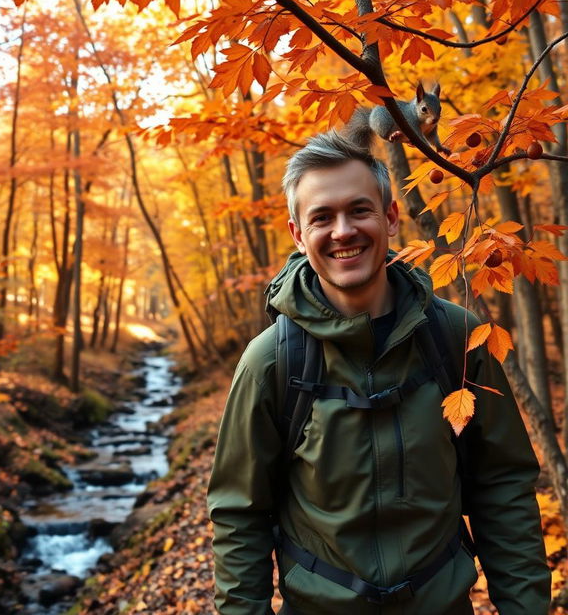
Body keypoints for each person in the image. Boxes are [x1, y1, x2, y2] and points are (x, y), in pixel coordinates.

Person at [207, 130, 550, 615]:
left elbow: (503, 488)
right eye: (322, 217)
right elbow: (239, 516)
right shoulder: (271, 361)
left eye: (359, 210)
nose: (343, 230)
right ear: (298, 235)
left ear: (390, 218)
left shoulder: (457, 338)